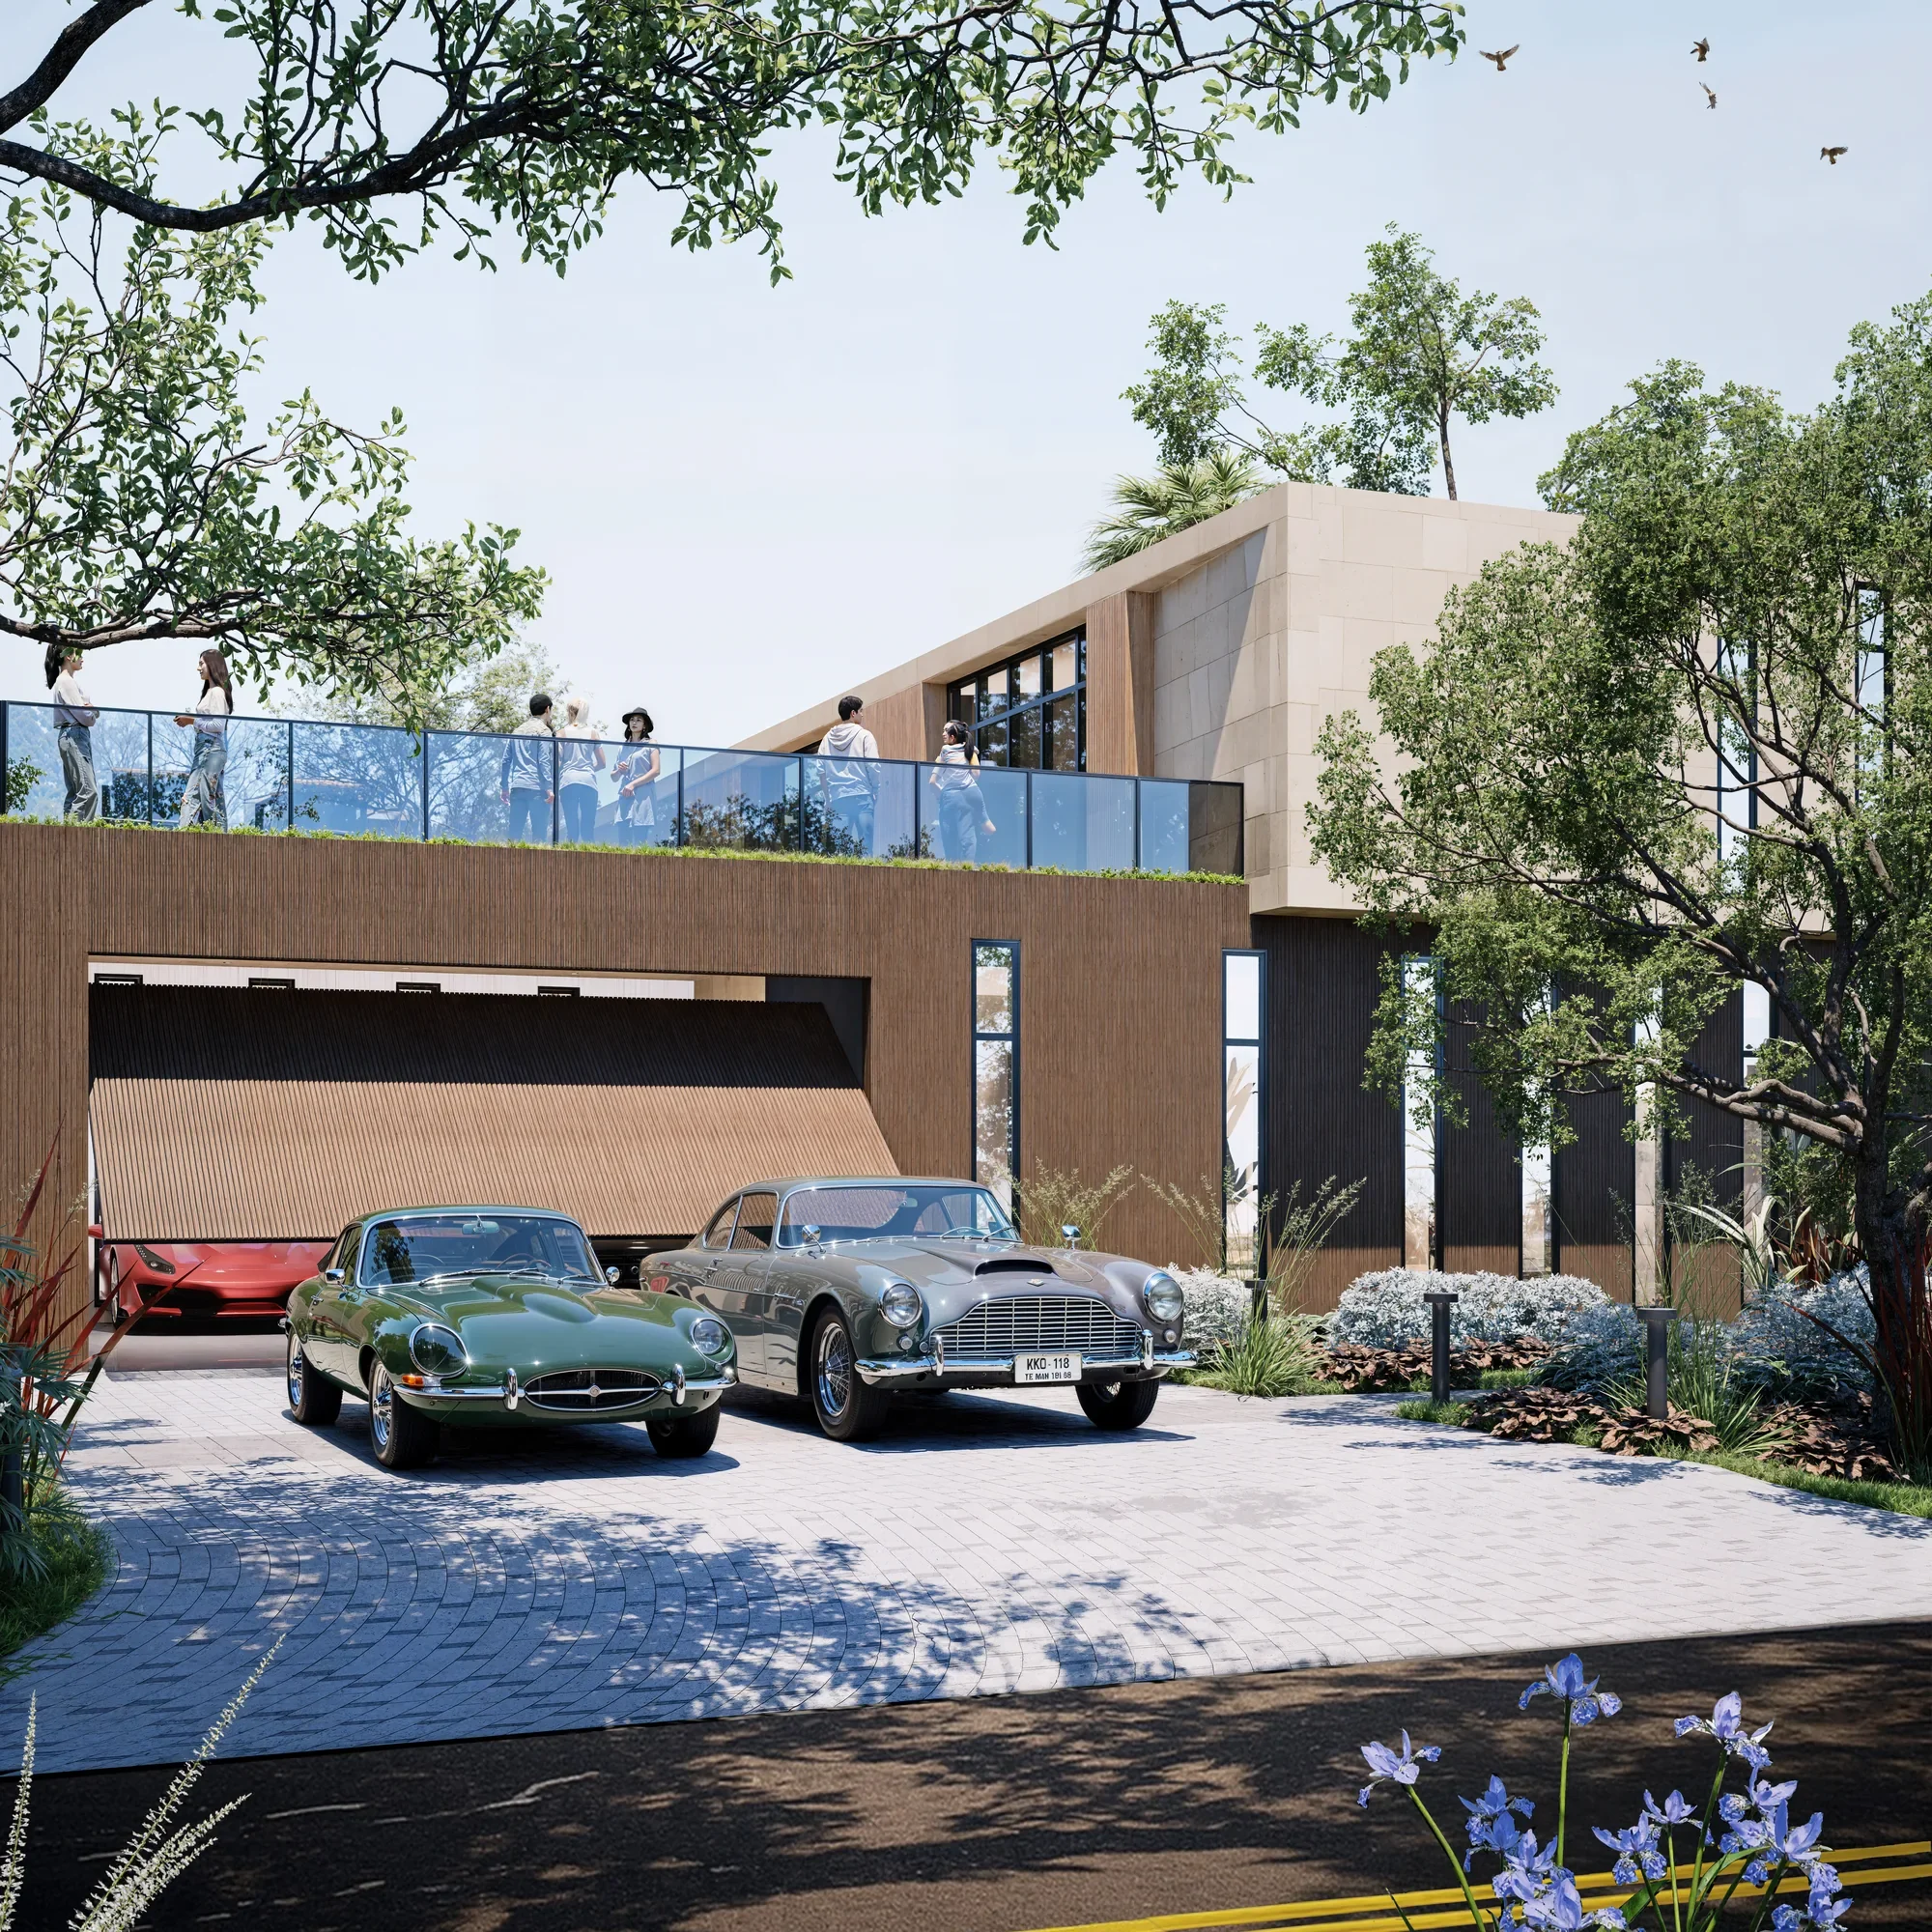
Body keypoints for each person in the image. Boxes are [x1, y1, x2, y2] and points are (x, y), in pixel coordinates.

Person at [174, 647, 233, 828]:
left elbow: (218, 726)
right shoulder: (211, 691)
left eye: (201, 663)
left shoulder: (216, 692)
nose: (198, 668)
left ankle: (186, 835)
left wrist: (192, 721)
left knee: (193, 796)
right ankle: (216, 836)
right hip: (206, 750)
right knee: (213, 796)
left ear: (212, 665)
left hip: (210, 750)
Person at [816, 695, 879, 855]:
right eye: (861, 711)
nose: (862, 714)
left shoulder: (826, 739)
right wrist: (875, 789)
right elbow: (873, 766)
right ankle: (867, 880)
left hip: (838, 799)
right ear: (853, 713)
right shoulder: (865, 735)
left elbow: (821, 771)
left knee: (841, 850)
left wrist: (828, 799)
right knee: (866, 847)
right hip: (862, 796)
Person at [928, 719, 996, 862]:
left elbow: (932, 782)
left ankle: (953, 867)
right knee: (969, 832)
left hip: (951, 796)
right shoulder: (970, 749)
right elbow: (976, 775)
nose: (943, 734)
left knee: (949, 836)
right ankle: (988, 828)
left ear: (953, 737)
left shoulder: (945, 751)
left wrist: (941, 796)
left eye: (946, 731)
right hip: (972, 791)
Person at [50, 648, 99, 821]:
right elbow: (86, 717)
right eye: (79, 654)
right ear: (68, 655)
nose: (83, 659)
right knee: (88, 791)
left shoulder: (64, 681)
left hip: (70, 735)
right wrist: (94, 711)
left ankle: (68, 837)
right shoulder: (66, 681)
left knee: (75, 793)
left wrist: (91, 710)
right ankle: (79, 839)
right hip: (74, 734)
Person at [498, 693, 555, 842]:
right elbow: (543, 759)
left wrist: (504, 787)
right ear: (547, 709)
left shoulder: (517, 730)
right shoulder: (544, 731)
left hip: (517, 787)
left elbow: (505, 761)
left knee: (514, 835)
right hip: (537, 789)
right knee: (539, 837)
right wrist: (549, 787)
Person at [556, 696, 606, 843]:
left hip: (568, 780)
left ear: (570, 712)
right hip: (588, 781)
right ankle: (589, 858)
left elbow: (557, 762)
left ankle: (570, 858)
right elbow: (602, 763)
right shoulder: (593, 733)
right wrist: (589, 769)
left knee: (571, 824)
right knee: (588, 824)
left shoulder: (562, 733)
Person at [611, 706, 661, 846]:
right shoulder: (622, 747)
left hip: (643, 795)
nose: (634, 722)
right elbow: (613, 777)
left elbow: (656, 770)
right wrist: (620, 771)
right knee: (623, 838)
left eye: (638, 720)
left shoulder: (651, 744)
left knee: (640, 839)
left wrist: (633, 784)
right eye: (632, 720)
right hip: (625, 794)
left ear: (644, 725)